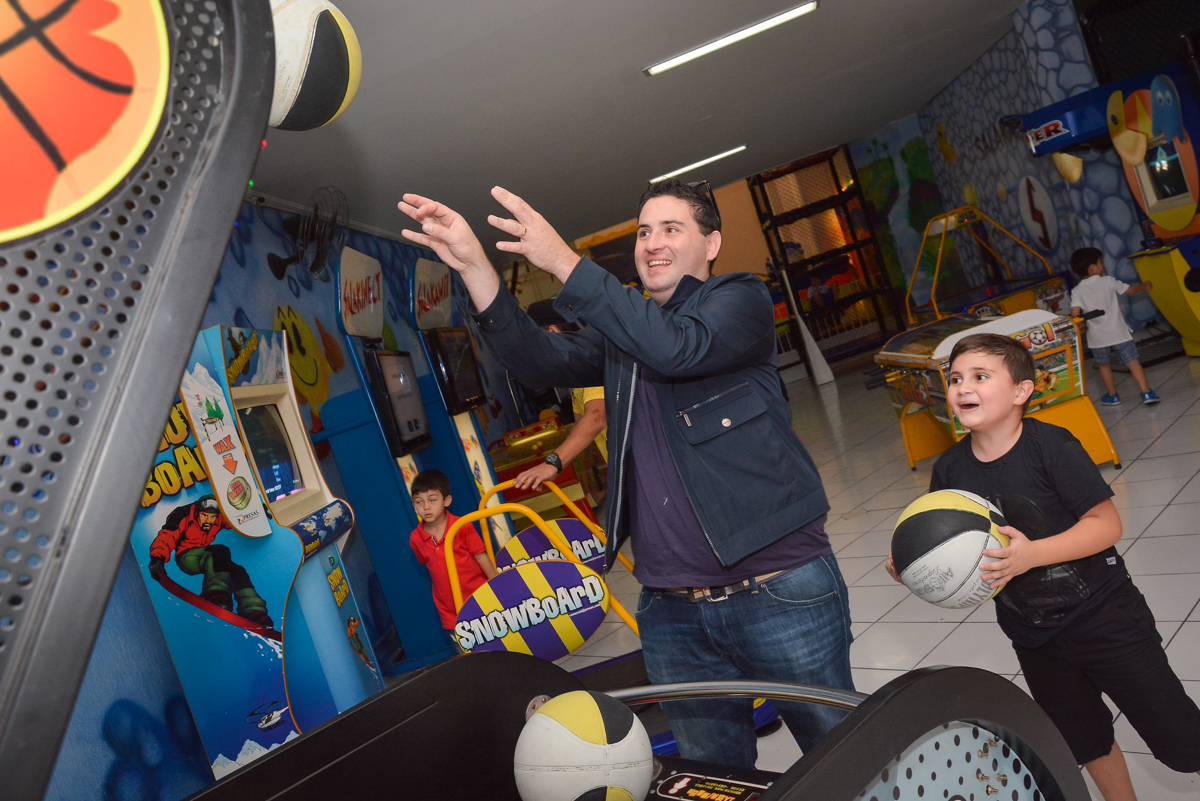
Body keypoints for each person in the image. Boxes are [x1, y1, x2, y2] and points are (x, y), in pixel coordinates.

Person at [397, 180, 853, 769]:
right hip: (671, 610)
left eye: (671, 229)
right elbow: (541, 357)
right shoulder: (625, 333)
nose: (651, 243)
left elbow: (677, 349)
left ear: (711, 243)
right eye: (643, 231)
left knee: (844, 758)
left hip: (777, 587)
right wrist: (476, 266)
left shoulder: (740, 300)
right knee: (712, 778)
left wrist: (563, 261)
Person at [885, 333, 1200, 801]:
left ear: (1021, 391)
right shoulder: (950, 470)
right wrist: (917, 567)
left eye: (980, 376)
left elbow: (1106, 524)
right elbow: (949, 548)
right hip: (1034, 637)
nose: (962, 387)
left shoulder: (1051, 446)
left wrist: (1032, 554)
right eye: (954, 379)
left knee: (1179, 739)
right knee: (1084, 738)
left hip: (1108, 620)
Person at [515, 299, 608, 492]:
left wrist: (552, 463)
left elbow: (596, 417)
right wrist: (558, 467)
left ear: (552, 331)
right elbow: (581, 425)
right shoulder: (576, 375)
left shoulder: (589, 361)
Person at [148, 495, 274, 629]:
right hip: (187, 557)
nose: (209, 521)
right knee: (220, 551)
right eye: (205, 516)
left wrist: (256, 513)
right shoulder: (183, 514)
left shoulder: (219, 517)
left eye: (212, 517)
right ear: (197, 513)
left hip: (210, 556)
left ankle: (254, 611)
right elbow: (168, 535)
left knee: (238, 571)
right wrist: (158, 557)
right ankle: (215, 594)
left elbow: (237, 520)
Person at [408, 469, 498, 646]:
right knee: (466, 652)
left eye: (432, 500)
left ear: (446, 500)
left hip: (480, 598)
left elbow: (481, 557)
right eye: (419, 502)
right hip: (450, 610)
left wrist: (497, 585)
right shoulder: (415, 538)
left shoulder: (461, 526)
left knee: (497, 644)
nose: (426, 507)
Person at [1068, 247, 1159, 406]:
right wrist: (1145, 285)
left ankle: (1113, 395)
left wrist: (1081, 324)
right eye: (1100, 262)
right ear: (1092, 268)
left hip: (1097, 338)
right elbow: (1130, 290)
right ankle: (1146, 392)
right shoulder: (1108, 281)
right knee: (1133, 362)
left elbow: (1075, 314)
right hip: (1118, 333)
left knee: (1104, 366)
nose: (1102, 264)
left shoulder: (1077, 291)